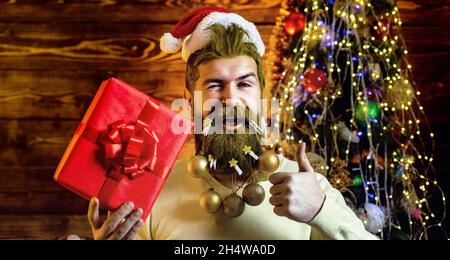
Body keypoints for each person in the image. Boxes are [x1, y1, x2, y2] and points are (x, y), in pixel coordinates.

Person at [82, 6, 378, 240]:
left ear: (263, 96)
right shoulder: (151, 194)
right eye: (214, 85)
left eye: (245, 84)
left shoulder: (308, 188)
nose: (230, 99)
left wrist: (321, 211)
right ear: (189, 99)